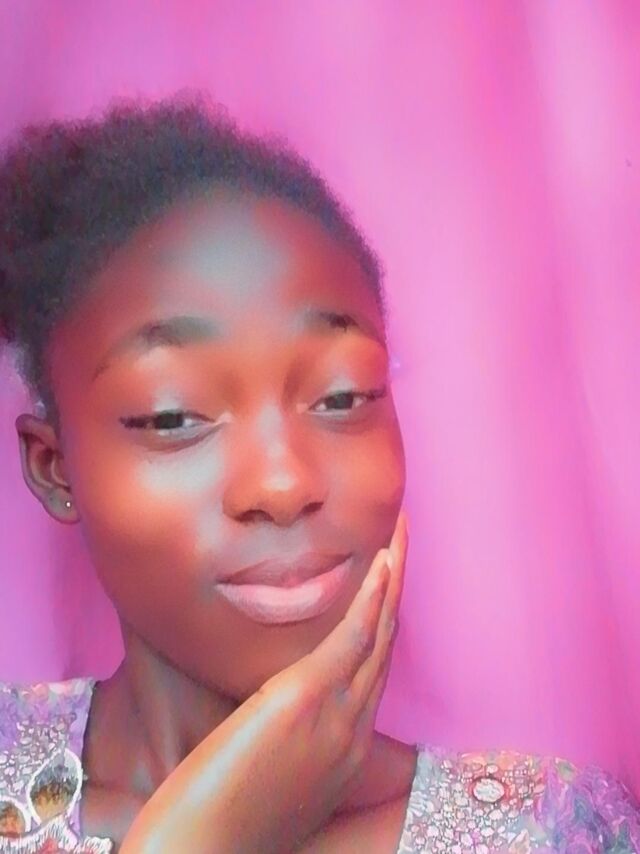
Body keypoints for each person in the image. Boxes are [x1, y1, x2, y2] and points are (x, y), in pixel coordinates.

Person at [0, 94, 637, 854]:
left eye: (342, 397)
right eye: (173, 416)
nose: (283, 484)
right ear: (54, 467)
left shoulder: (547, 833)